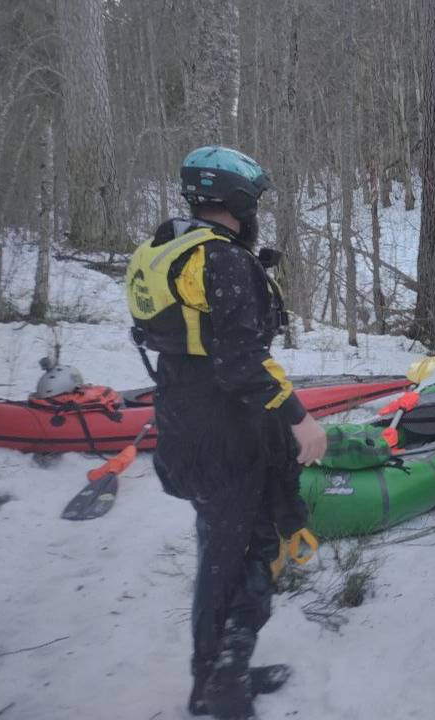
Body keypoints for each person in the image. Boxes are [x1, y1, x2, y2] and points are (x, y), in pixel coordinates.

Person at [125, 146, 328, 718]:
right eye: (255, 199)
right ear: (236, 200)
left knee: (234, 549)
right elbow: (240, 362)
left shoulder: (174, 245)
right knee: (234, 554)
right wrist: (300, 418)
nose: (258, 208)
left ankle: (222, 669)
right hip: (225, 431)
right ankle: (217, 680)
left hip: (190, 422)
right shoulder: (222, 260)